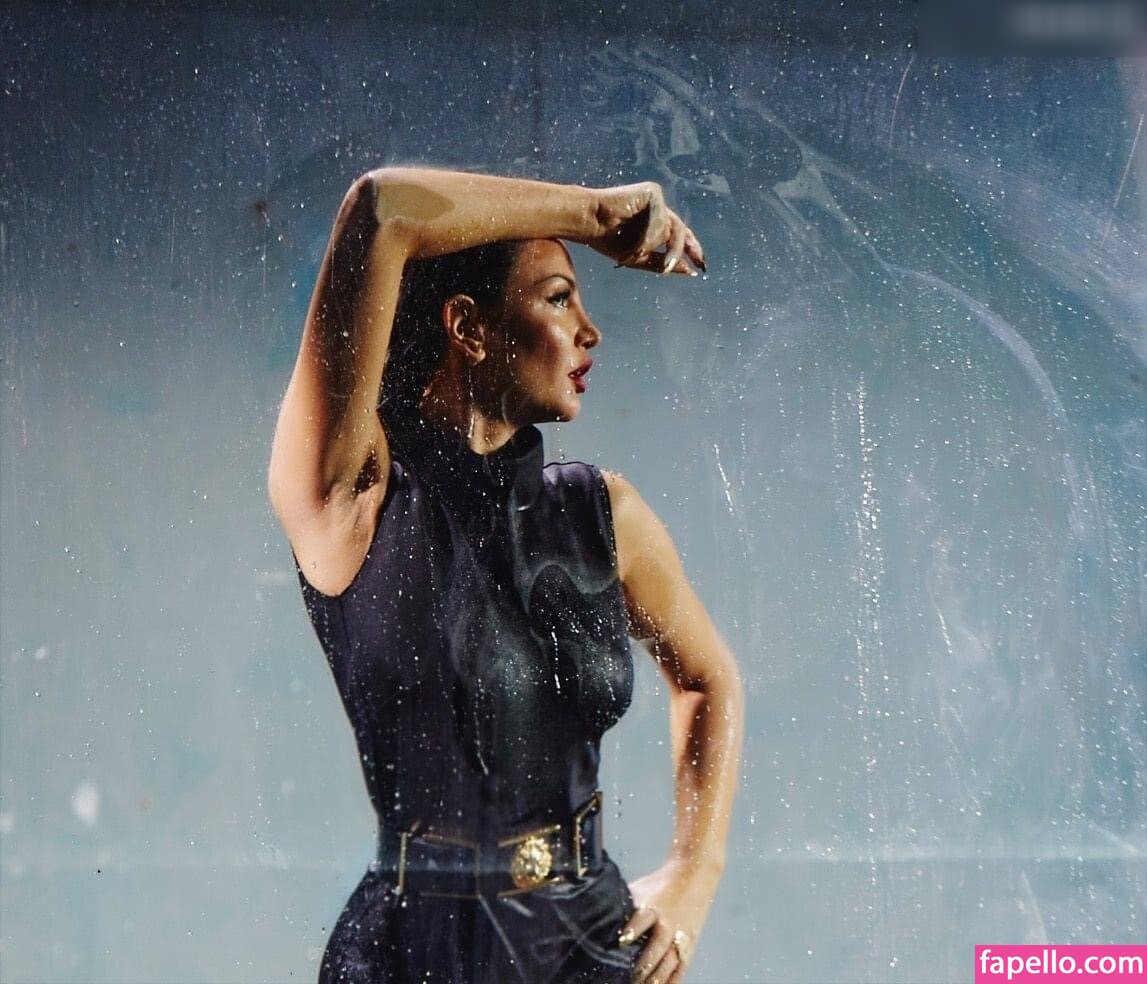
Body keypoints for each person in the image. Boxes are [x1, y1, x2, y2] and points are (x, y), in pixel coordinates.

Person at [267, 167, 744, 984]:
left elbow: (709, 680)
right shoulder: (351, 496)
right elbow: (381, 208)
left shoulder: (604, 514)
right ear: (467, 326)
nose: (590, 332)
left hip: (589, 939)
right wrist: (596, 216)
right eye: (559, 298)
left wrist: (695, 873)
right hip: (415, 953)